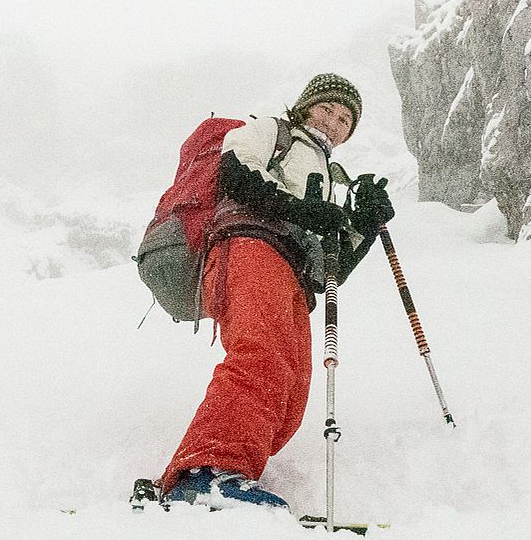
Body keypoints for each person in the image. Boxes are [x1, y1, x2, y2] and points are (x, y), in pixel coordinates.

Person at [158, 73, 395, 509]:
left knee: (291, 385)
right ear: (306, 107)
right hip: (251, 245)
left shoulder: (328, 175)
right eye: (327, 108)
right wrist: (303, 210)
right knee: (262, 356)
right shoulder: (273, 132)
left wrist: (363, 223)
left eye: (346, 119)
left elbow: (333, 268)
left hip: (294, 276)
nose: (334, 122)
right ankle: (204, 472)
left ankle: (231, 471)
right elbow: (236, 175)